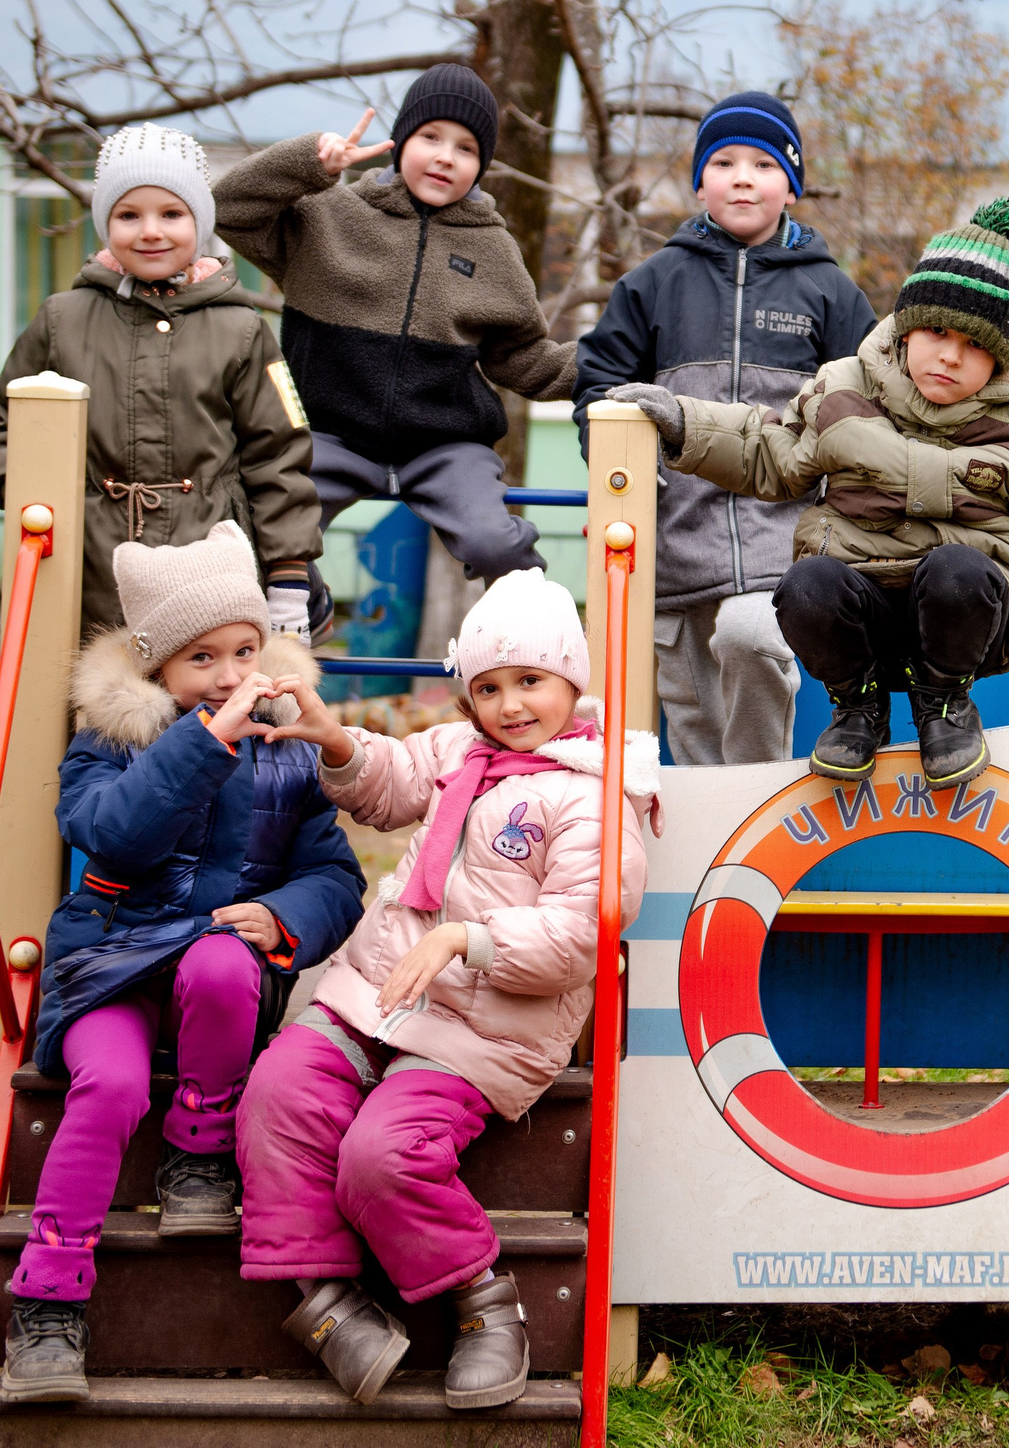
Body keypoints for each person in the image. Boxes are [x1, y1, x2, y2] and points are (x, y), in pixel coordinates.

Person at [608, 197, 1009, 789]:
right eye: (937, 332)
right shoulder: (843, 390)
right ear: (905, 327)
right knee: (806, 584)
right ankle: (857, 706)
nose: (949, 356)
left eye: (975, 346)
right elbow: (768, 450)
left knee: (957, 570)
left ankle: (945, 704)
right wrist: (685, 422)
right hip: (861, 610)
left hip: (968, 617)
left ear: (1003, 360)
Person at [236, 569, 655, 1410]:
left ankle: (482, 1301)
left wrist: (470, 939)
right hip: (381, 989)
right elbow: (389, 779)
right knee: (276, 1092)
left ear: (572, 680)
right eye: (488, 687)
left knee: (382, 1156)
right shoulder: (459, 751)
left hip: (484, 1028)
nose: (509, 704)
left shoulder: (594, 793)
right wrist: (334, 739)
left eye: (530, 680)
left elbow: (581, 930)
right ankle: (326, 1299)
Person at [0, 521, 366, 1402]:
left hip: (215, 983)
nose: (232, 676)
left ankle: (199, 1150)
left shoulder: (287, 752)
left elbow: (335, 876)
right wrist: (200, 745)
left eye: (245, 650)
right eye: (203, 658)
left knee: (222, 961)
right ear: (157, 667)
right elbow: (112, 834)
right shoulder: (110, 742)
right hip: (111, 968)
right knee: (111, 1085)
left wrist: (282, 914)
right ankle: (46, 1305)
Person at [572, 91, 877, 766]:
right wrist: (623, 468)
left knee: (750, 638)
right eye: (725, 162)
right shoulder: (655, 282)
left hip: (780, 542)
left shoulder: (830, 291)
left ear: (791, 188)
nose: (743, 178)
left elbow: (867, 404)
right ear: (700, 182)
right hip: (676, 542)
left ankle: (756, 798)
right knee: (692, 719)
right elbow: (599, 385)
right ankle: (707, 826)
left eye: (765, 165)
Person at [212, 66, 576, 584]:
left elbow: (523, 357)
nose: (446, 157)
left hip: (445, 447)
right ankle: (308, 610)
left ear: (481, 166)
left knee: (492, 542)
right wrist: (308, 163)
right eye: (430, 137)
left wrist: (615, 364)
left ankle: (536, 611)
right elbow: (228, 208)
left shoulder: (492, 248)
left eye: (466, 148)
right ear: (401, 141)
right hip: (328, 436)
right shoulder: (328, 216)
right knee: (261, 532)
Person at [0, 124, 320, 644]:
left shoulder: (241, 329)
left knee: (205, 687)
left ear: (199, 221)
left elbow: (278, 455)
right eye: (128, 215)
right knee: (99, 690)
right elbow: (8, 422)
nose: (150, 231)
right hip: (87, 563)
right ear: (106, 224)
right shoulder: (62, 320)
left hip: (211, 560)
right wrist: (32, 497)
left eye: (171, 214)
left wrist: (288, 579)